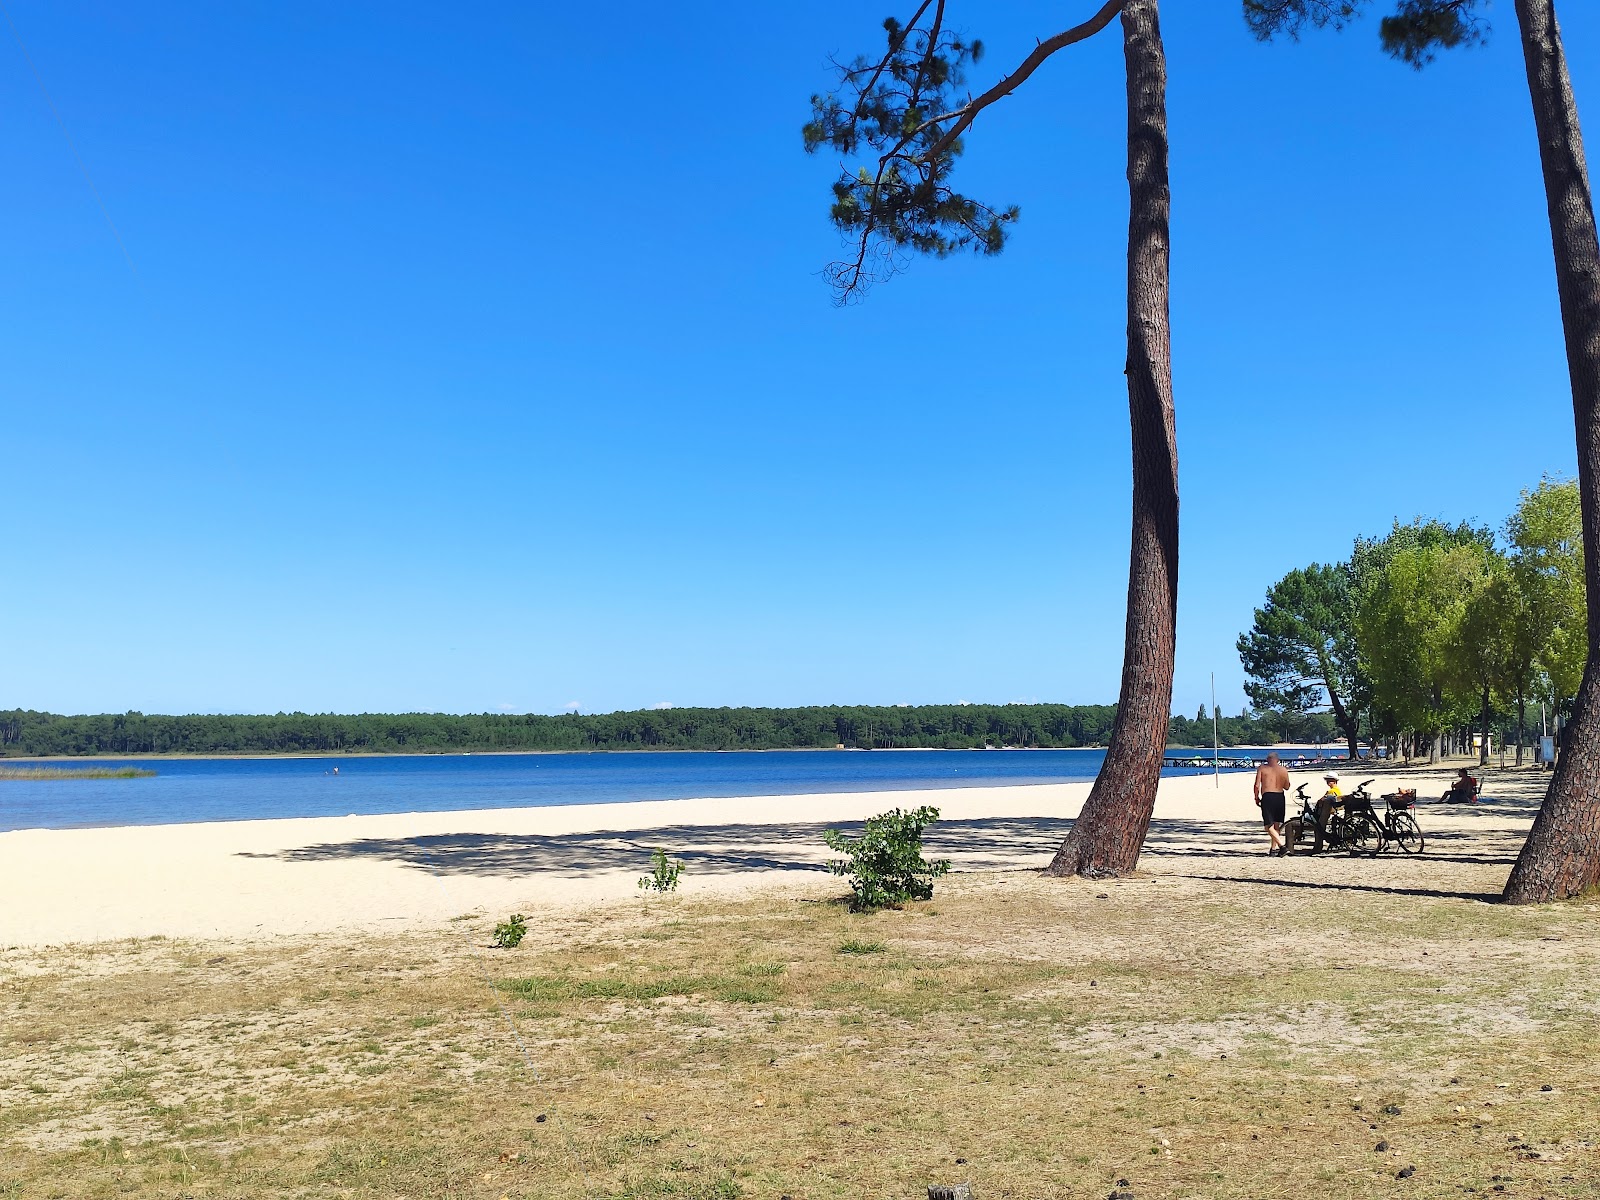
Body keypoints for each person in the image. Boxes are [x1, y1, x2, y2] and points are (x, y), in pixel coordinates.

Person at [1253, 752, 1291, 857]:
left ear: (1267, 760)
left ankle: (1282, 847)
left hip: (1268, 796)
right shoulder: (1283, 770)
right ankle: (1273, 849)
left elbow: (1257, 785)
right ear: (1277, 760)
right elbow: (1287, 787)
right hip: (1279, 796)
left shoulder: (1262, 768)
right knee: (1276, 824)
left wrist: (1256, 797)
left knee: (1268, 826)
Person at [1313, 772, 1344, 853]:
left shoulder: (1331, 792)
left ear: (1334, 781)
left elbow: (1320, 801)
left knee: (1318, 826)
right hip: (1333, 812)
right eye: (1327, 780)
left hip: (1326, 813)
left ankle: (1317, 847)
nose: (1328, 782)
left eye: (1329, 780)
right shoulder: (1338, 790)